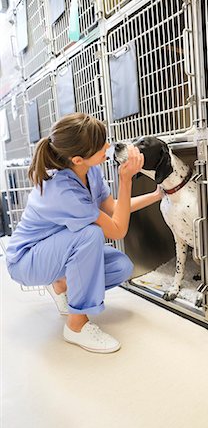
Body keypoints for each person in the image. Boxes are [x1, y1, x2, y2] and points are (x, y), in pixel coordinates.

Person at [6, 113, 162, 353]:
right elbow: (118, 229)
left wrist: (157, 195)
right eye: (101, 145)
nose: (108, 147)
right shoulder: (62, 190)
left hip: (55, 250)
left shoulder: (90, 172)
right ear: (78, 159)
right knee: (90, 235)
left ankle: (60, 284)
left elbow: (113, 209)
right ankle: (76, 325)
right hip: (26, 260)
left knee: (121, 266)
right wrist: (126, 178)